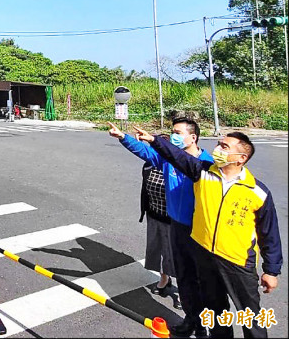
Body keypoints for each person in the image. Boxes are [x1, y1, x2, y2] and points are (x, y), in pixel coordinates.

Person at [134, 127, 282, 339]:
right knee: (215, 311)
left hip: (237, 262)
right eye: (218, 144)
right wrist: (154, 140)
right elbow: (177, 156)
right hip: (204, 256)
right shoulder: (203, 173)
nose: (217, 149)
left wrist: (271, 270)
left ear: (241, 158)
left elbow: (270, 233)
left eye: (224, 146)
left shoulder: (258, 192)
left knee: (250, 316)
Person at [108, 118, 213, 338]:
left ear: (193, 137)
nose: (173, 135)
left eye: (177, 132)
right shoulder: (169, 158)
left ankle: (204, 326)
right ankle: (190, 320)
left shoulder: (206, 163)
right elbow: (146, 153)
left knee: (199, 281)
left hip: (198, 230)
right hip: (176, 225)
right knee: (183, 277)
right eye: (172, 132)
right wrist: (123, 138)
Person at [138, 149, 176, 299]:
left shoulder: (177, 168)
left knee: (176, 256)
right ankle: (164, 279)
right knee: (157, 250)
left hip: (175, 222)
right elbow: (145, 190)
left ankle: (183, 294)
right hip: (154, 215)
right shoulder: (149, 165)